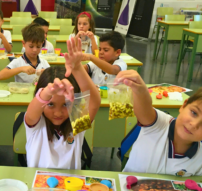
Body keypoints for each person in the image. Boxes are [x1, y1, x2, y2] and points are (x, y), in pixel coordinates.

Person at [24, 38, 101, 169]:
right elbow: (31, 114)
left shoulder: (76, 122)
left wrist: (77, 68)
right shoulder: (37, 125)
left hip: (71, 187)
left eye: (66, 104)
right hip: (37, 187)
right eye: (50, 104)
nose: (58, 113)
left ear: (75, 103)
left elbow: (94, 102)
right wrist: (47, 92)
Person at [119, 71, 202, 176]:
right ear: (184, 105)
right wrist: (141, 91)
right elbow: (145, 110)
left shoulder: (199, 160)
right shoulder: (159, 124)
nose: (194, 124)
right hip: (127, 189)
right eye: (194, 113)